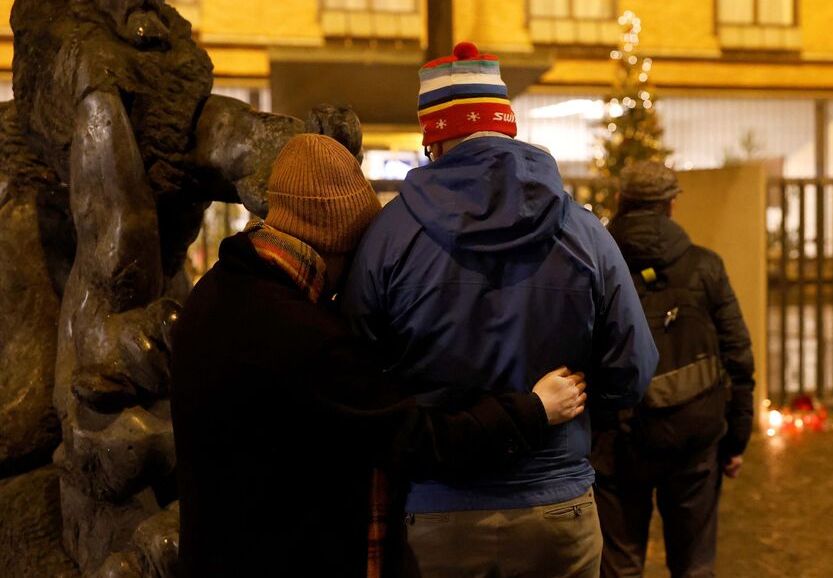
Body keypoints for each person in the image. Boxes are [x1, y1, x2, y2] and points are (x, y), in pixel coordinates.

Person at [170, 133, 588, 578]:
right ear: (339, 245)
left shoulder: (214, 292)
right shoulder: (304, 336)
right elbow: (417, 439)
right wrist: (533, 410)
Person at [342, 42, 658, 578]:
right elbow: (632, 368)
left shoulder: (388, 237)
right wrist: (580, 412)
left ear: (432, 140)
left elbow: (358, 371)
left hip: (437, 513)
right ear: (507, 127)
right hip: (557, 504)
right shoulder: (584, 233)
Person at [593, 160, 756, 578]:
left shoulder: (597, 266)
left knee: (619, 565)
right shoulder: (705, 266)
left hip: (615, 442)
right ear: (671, 206)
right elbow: (738, 355)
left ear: (620, 201)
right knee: (694, 565)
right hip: (694, 436)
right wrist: (735, 441)